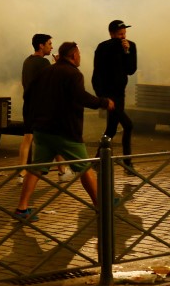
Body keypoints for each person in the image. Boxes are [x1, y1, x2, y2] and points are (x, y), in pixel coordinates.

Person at [14, 42, 115, 221]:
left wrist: (34, 116)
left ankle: (22, 209)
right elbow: (81, 96)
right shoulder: (73, 74)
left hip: (42, 129)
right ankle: (101, 206)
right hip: (65, 130)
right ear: (74, 55)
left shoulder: (46, 71)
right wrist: (104, 102)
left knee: (36, 168)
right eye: (79, 54)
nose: (80, 57)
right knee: (85, 168)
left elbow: (28, 93)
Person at [18, 33, 70, 184]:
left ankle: (21, 173)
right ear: (41, 45)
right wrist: (59, 64)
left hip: (28, 104)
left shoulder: (27, 61)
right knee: (53, 137)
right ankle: (62, 171)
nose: (52, 47)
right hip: (42, 107)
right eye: (49, 44)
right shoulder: (43, 63)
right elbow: (52, 80)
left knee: (28, 138)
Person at [92, 20, 137, 174]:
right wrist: (101, 97)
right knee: (127, 125)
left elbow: (131, 70)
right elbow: (96, 73)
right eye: (120, 34)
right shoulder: (103, 47)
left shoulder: (130, 46)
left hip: (120, 93)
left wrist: (127, 52)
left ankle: (99, 159)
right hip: (109, 94)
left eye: (124, 33)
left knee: (112, 128)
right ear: (111, 34)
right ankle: (127, 163)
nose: (123, 37)